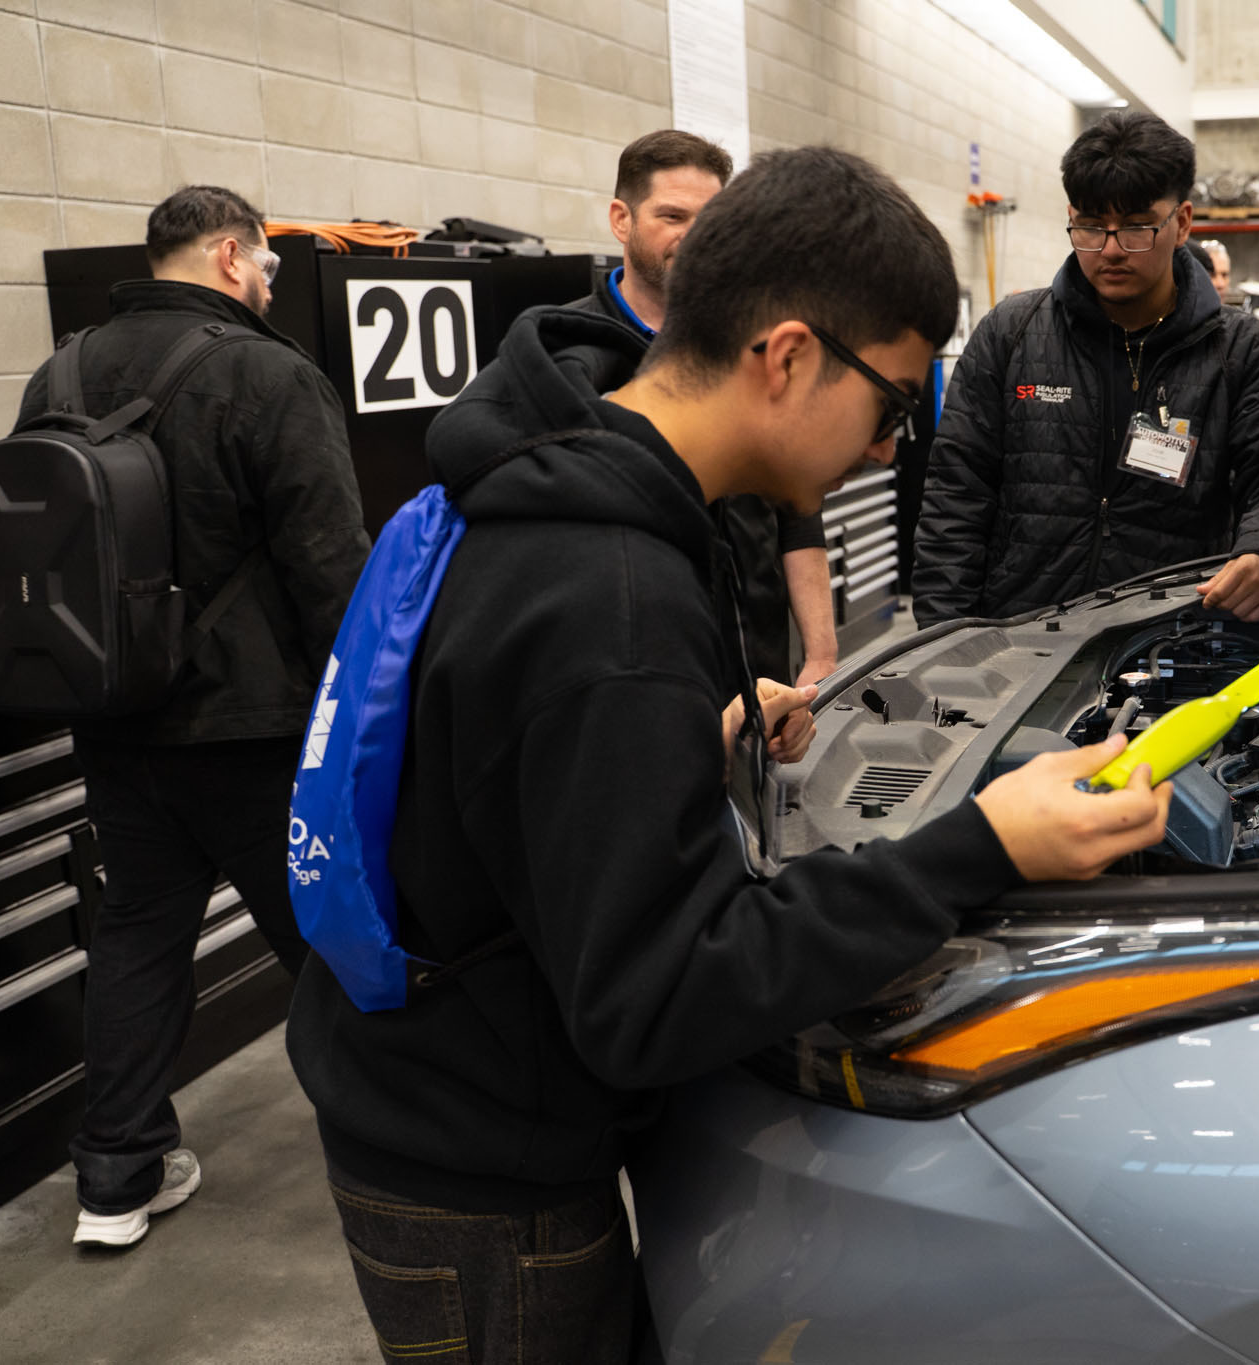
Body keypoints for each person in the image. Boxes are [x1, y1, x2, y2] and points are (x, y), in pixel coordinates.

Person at [286, 146, 1172, 1364]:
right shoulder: (608, 598)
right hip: (481, 1176)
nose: (883, 452)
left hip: (440, 1086)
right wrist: (978, 846)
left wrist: (661, 752)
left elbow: (486, 754)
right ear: (789, 354)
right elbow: (657, 1000)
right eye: (893, 404)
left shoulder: (551, 479)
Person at [11, 185, 369, 1249]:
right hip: (254, 729)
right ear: (225, 255)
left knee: (137, 941)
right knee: (326, 940)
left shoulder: (59, 370)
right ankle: (400, 1130)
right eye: (263, 263)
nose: (267, 282)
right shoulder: (268, 371)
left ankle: (114, 1182)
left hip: (116, 717)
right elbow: (331, 568)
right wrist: (363, 722)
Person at [912, 111, 1259, 627]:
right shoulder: (1011, 334)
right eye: (1092, 227)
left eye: (1137, 227)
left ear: (1182, 222)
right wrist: (945, 642)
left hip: (1171, 646)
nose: (1112, 250)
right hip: (1022, 645)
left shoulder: (1238, 350)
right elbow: (955, 499)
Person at [574, 128, 840, 696]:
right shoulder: (569, 356)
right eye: (672, 216)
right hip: (635, 684)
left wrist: (820, 652)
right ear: (622, 220)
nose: (694, 238)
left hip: (757, 674)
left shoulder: (762, 346)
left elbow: (798, 513)